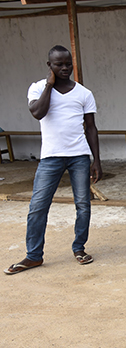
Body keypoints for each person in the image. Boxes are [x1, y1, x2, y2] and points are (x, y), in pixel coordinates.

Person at [4, 45, 102, 275]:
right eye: (59, 64)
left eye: (68, 63)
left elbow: (91, 128)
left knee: (83, 205)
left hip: (78, 156)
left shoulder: (84, 93)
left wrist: (96, 160)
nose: (65, 68)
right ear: (50, 66)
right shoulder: (38, 88)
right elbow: (38, 112)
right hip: (50, 157)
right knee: (38, 207)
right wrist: (49, 85)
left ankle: (79, 248)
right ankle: (33, 256)